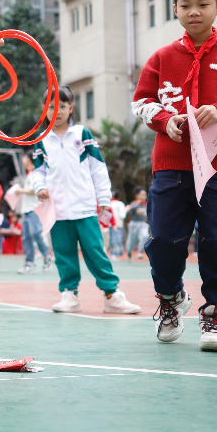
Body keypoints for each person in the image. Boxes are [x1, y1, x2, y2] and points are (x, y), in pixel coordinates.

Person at [132, 0, 217, 352]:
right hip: (170, 167)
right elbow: (141, 101)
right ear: (174, 9)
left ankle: (215, 314)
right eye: (185, 5)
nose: (194, 11)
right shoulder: (161, 57)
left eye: (203, 4)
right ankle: (171, 300)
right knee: (164, 241)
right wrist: (165, 120)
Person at [31, 87, 140, 316]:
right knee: (63, 254)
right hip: (57, 211)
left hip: (85, 208)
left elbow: (98, 169)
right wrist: (39, 187)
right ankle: (70, 295)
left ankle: (112, 295)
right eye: (51, 106)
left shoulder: (82, 134)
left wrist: (103, 199)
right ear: (44, 110)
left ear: (71, 108)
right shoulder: (41, 140)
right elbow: (38, 171)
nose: (57, 110)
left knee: (95, 251)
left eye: (62, 105)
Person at [6, 156, 52, 273]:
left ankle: (47, 257)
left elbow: (36, 191)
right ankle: (29, 262)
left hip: (34, 209)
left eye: (25, 157)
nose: (23, 159)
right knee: (26, 237)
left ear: (29, 159)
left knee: (36, 233)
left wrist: (20, 191)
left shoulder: (36, 174)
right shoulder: (29, 174)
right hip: (27, 210)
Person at [125, 189, 148, 260]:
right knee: (132, 240)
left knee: (145, 235)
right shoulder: (133, 203)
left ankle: (140, 251)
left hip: (143, 224)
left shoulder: (146, 205)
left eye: (145, 194)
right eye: (142, 194)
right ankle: (129, 251)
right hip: (134, 224)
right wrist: (135, 205)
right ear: (137, 195)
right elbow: (127, 211)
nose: (144, 196)